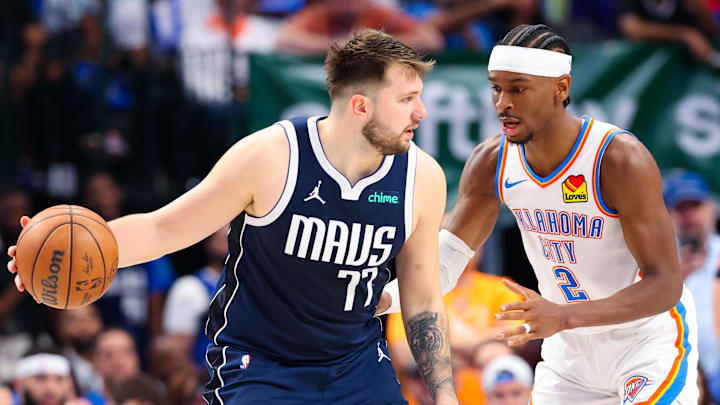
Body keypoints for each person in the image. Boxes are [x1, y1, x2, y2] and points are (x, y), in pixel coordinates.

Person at [8, 28, 457, 404]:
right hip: (260, 364)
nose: (421, 112)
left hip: (357, 364)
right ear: (361, 106)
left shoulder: (422, 178)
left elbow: (422, 300)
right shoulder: (270, 157)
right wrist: (64, 253)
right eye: (407, 99)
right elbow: (163, 228)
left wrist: (445, 395)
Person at [380, 24, 699, 404]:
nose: (502, 103)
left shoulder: (616, 158)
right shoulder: (491, 162)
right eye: (496, 88)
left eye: (518, 88)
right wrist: (377, 299)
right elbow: (445, 265)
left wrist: (563, 315)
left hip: (644, 343)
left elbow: (666, 285)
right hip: (570, 356)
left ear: (560, 88)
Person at [664, 170, 720, 403]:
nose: (688, 216)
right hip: (677, 372)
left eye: (694, 206)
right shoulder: (657, 262)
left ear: (710, 209)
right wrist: (674, 279)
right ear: (667, 215)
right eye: (680, 209)